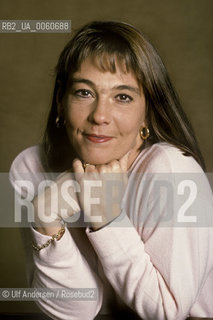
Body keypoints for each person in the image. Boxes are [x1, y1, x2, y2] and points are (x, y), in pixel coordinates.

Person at [9, 21, 213, 320]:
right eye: (84, 92)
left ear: (147, 113)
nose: (100, 115)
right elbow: (74, 312)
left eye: (123, 97)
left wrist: (107, 218)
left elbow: (168, 312)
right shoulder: (31, 169)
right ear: (60, 102)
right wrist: (45, 219)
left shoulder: (172, 171)